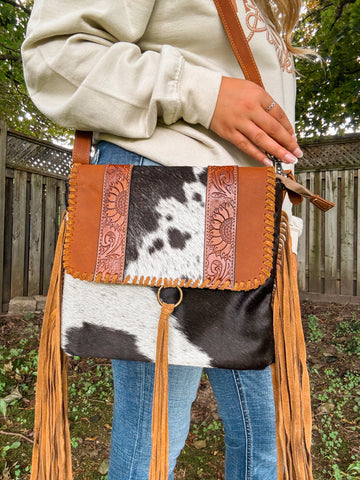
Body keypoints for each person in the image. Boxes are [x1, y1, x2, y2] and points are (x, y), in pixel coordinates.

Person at [22, 1, 305, 478]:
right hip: (168, 206)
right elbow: (55, 56)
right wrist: (199, 93)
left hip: (250, 224)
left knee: (271, 435)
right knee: (154, 436)